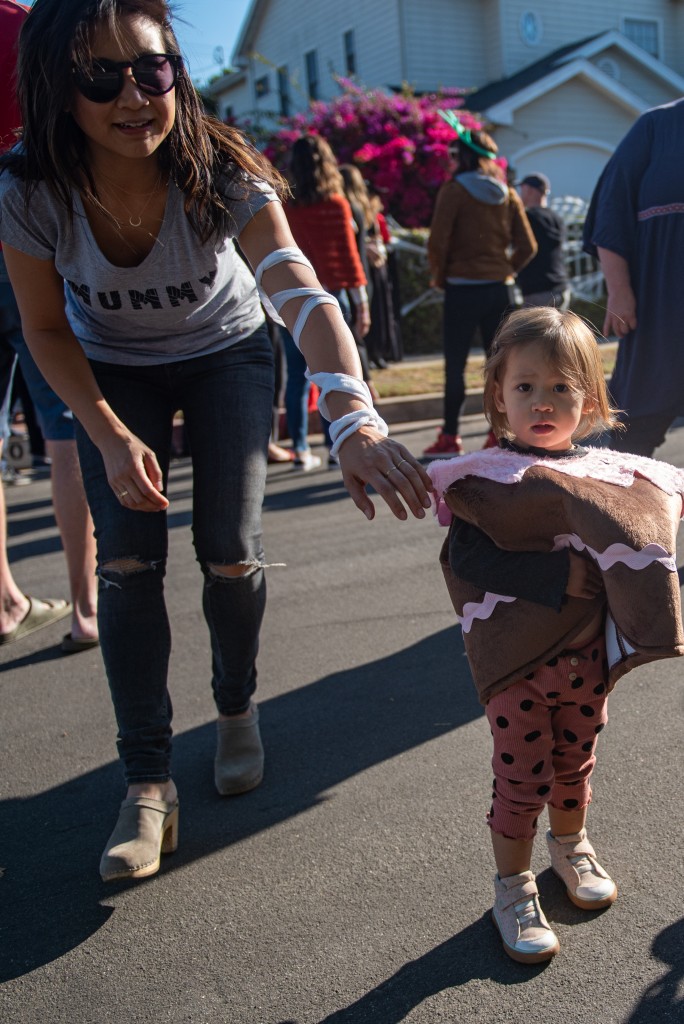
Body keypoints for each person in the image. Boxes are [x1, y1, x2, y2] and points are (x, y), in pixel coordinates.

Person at [0, 0, 432, 882]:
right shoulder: (29, 188)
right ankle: (147, 781)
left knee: (230, 549)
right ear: (56, 88)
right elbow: (43, 328)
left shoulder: (218, 166)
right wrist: (106, 433)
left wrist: (352, 415)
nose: (134, 96)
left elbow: (299, 291)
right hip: (111, 367)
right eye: (100, 77)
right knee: (127, 563)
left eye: (151, 69)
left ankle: (236, 709)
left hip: (226, 354)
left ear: (177, 74)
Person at [427, 307, 684, 963]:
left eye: (561, 387)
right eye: (525, 386)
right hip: (518, 665)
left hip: (586, 660)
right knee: (521, 775)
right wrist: (559, 575)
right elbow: (468, 560)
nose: (542, 402)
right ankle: (513, 885)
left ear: (589, 399)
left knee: (575, 763)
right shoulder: (485, 479)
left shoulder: (610, 475)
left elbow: (643, 537)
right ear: (498, 396)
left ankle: (570, 846)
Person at [0, 0, 97, 652]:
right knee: (68, 426)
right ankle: (86, 607)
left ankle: (5, 600)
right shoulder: (30, 24)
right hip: (30, 224)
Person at [425, 116, 536, 458]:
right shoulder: (508, 194)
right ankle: (498, 432)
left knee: (455, 365)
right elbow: (528, 246)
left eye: (454, 154)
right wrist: (505, 270)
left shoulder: (454, 191)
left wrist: (439, 277)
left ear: (464, 156)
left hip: (462, 290)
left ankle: (450, 436)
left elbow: (437, 243)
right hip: (500, 290)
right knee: (501, 366)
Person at [583, 98, 684, 457]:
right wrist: (619, 290)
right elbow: (611, 211)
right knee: (633, 438)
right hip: (660, 311)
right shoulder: (656, 126)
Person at [281, 135, 371, 470]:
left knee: (295, 377)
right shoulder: (337, 204)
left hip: (291, 297)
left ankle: (300, 449)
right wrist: (363, 305)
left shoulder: (285, 208)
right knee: (336, 374)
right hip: (333, 296)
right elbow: (349, 259)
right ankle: (337, 446)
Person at [516, 173, 571, 310]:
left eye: (521, 189)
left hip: (538, 291)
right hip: (561, 286)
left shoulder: (528, 217)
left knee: (530, 325)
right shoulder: (556, 218)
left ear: (529, 190)